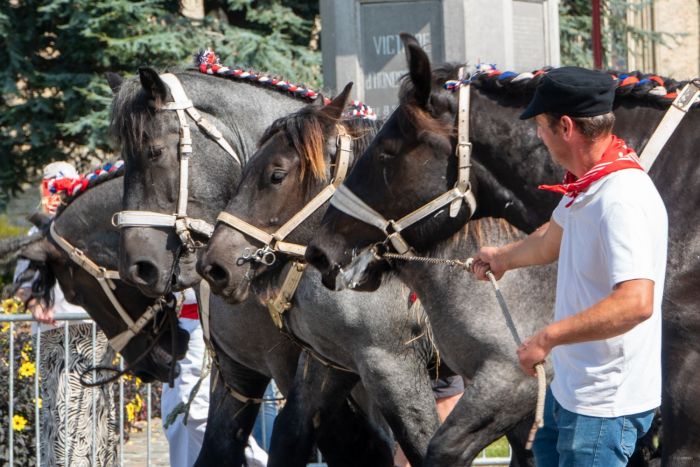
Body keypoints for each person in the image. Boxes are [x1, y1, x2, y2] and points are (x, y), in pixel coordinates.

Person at [471, 67, 667, 466]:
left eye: (541, 126)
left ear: (565, 127)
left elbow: (636, 302)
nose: (538, 137)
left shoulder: (621, 197)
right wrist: (502, 258)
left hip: (602, 406)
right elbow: (550, 240)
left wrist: (548, 338)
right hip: (572, 390)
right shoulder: (589, 183)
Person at [13, 161, 120, 466]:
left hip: (95, 333)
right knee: (63, 413)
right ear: (43, 190)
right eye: (52, 188)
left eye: (64, 187)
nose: (58, 195)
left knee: (98, 411)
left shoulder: (88, 226)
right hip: (57, 335)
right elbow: (22, 282)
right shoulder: (40, 231)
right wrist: (34, 305)